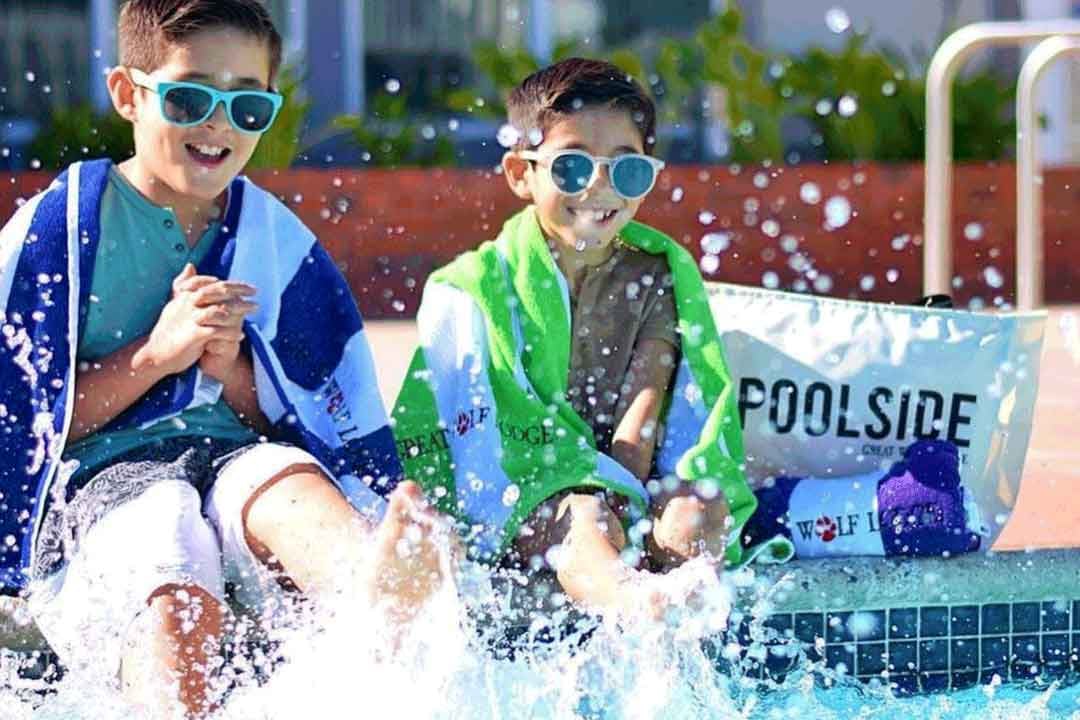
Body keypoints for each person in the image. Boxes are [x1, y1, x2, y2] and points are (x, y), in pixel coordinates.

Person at [0, 1, 450, 716]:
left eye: (248, 106)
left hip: (233, 453)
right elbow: (29, 425)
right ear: (127, 94)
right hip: (106, 474)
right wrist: (156, 355)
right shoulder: (63, 228)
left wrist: (231, 371)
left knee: (288, 485)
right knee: (170, 554)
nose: (219, 124)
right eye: (189, 97)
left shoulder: (270, 235)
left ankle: (373, 585)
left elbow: (289, 414)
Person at [393, 58, 791, 622]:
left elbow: (644, 410)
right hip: (535, 496)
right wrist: (600, 496)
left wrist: (629, 496)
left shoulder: (656, 273)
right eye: (573, 168)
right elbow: (451, 438)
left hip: (629, 474)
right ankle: (634, 602)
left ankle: (682, 667)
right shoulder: (475, 288)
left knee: (697, 511)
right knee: (585, 515)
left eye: (627, 172)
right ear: (519, 174)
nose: (600, 188)